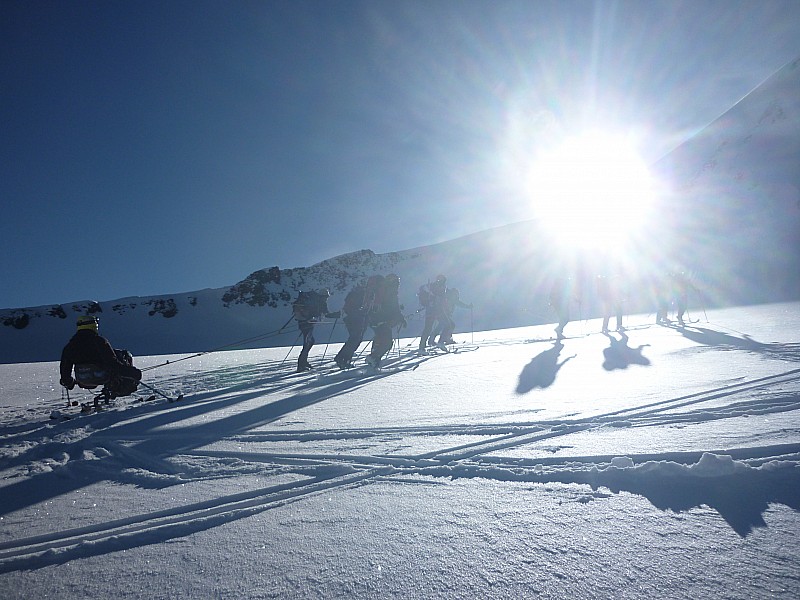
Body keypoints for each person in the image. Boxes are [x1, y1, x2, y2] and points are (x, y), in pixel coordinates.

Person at [59, 315, 142, 403]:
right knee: (123, 355)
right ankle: (118, 389)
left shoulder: (70, 346)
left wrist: (69, 382)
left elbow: (64, 370)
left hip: (83, 379)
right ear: (94, 325)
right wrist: (133, 373)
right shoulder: (99, 341)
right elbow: (113, 364)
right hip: (101, 376)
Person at [292, 288, 340, 372]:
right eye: (326, 297)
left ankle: (304, 362)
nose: (327, 298)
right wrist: (336, 315)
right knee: (307, 343)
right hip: (307, 323)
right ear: (324, 296)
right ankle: (301, 365)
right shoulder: (321, 302)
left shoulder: (315, 300)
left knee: (310, 342)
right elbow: (326, 314)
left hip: (304, 322)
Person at [365, 273, 405, 368]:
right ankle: (373, 357)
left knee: (379, 339)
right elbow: (394, 308)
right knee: (387, 343)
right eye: (397, 282)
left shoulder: (380, 290)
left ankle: (374, 362)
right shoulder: (391, 292)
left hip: (373, 319)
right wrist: (400, 318)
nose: (398, 284)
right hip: (382, 320)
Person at [334, 280, 370, 369]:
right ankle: (344, 359)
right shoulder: (362, 295)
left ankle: (342, 358)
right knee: (355, 340)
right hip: (357, 320)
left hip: (350, 320)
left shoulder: (353, 295)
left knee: (353, 339)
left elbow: (347, 308)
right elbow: (362, 309)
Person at [418, 274, 451, 353]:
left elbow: (422, 289)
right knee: (447, 324)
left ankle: (422, 347)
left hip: (432, 310)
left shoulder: (432, 286)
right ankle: (440, 342)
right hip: (436, 310)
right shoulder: (438, 287)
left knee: (428, 328)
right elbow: (440, 298)